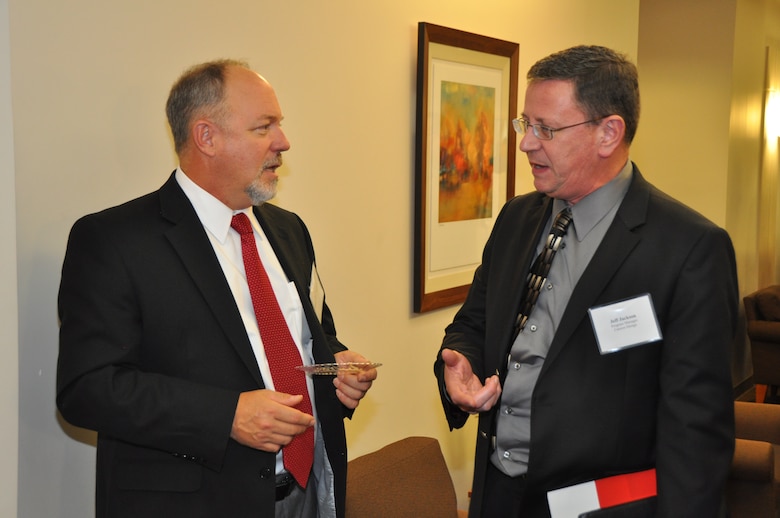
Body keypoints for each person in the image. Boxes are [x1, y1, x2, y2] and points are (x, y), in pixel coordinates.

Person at [56, 59, 377, 518]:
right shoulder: (115, 241)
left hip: (309, 493)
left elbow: (302, 337)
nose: (283, 143)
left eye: (279, 125)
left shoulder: (288, 230)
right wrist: (224, 416)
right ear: (207, 137)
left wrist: (334, 366)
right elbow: (86, 388)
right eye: (264, 127)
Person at [434, 45, 737, 517]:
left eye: (546, 129)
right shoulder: (517, 218)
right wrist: (459, 363)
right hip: (498, 495)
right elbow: (473, 323)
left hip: (604, 507)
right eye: (524, 124)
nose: (526, 143)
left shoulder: (688, 249)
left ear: (608, 133)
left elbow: (696, 430)